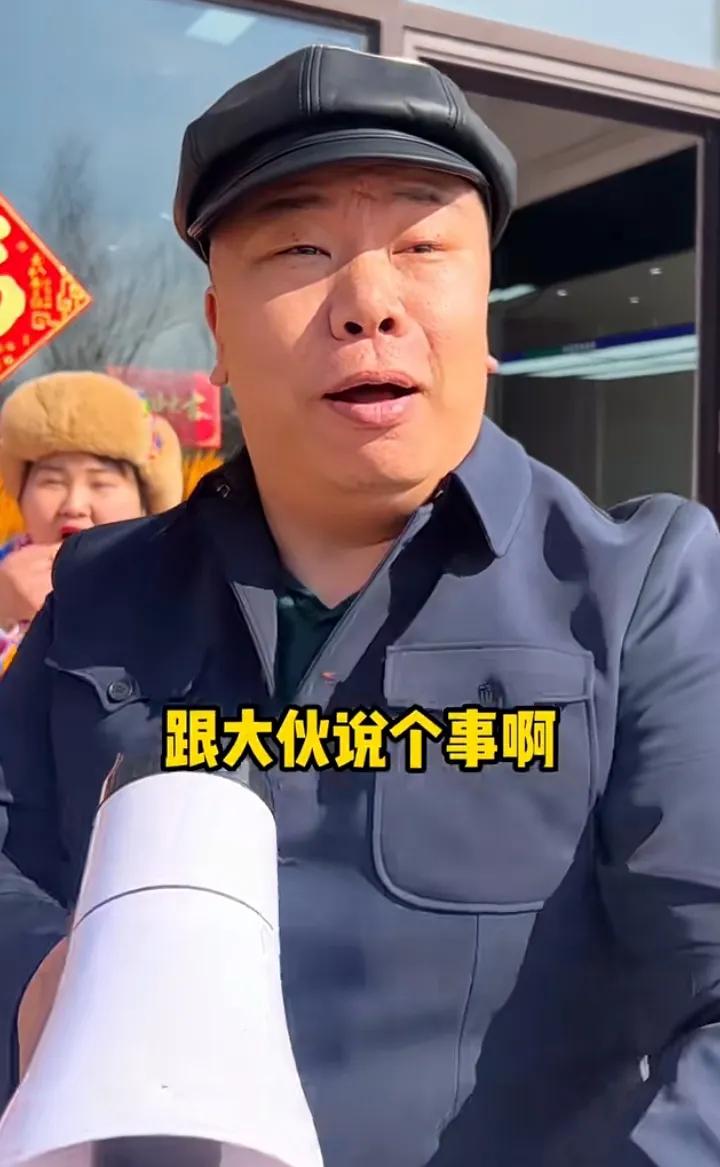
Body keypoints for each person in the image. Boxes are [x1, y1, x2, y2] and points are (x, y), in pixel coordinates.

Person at [0, 45, 719, 1167]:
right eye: (300, 250)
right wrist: (36, 983)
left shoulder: (639, 594)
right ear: (218, 330)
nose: (369, 305)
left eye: (422, 246)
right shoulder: (95, 596)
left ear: (484, 308)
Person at [0, 371, 183, 673]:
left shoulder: (185, 593)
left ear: (146, 506)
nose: (74, 506)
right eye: (52, 482)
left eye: (101, 484)